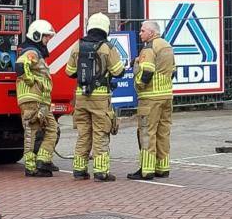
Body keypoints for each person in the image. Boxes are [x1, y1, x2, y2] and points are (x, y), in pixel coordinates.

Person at [65, 13, 126, 182]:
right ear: (105, 28)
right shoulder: (107, 47)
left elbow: (69, 72)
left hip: (81, 97)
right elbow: (118, 71)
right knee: (101, 134)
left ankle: (79, 170)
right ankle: (101, 172)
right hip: (100, 98)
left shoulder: (78, 46)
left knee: (84, 134)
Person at [129, 20, 176, 180]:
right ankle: (162, 168)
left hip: (150, 98)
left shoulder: (149, 48)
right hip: (166, 96)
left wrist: (139, 85)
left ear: (151, 32)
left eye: (142, 31)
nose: (140, 33)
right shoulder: (167, 46)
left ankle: (146, 170)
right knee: (163, 132)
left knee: (147, 132)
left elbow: (147, 71)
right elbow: (173, 71)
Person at [16, 19, 59, 177]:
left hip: (41, 102)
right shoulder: (31, 52)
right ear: (36, 36)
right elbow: (20, 65)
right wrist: (31, 81)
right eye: (46, 36)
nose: (48, 40)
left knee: (52, 129)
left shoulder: (37, 53)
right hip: (32, 101)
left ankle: (42, 161)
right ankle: (31, 167)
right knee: (31, 133)